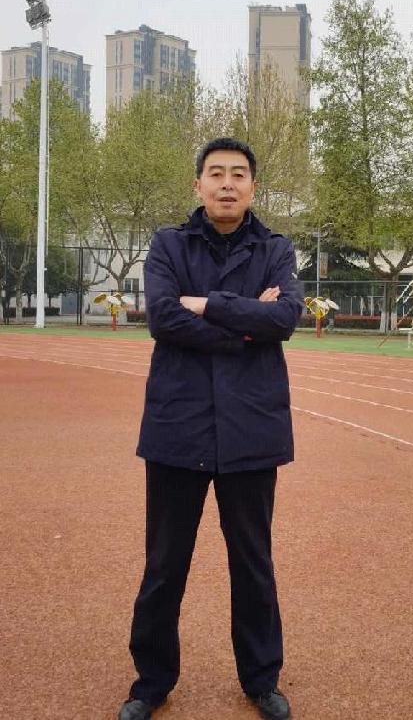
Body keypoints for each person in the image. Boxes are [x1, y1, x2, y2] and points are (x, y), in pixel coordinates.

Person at [117, 137, 303, 720]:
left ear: (253, 186)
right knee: (164, 563)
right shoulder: (168, 244)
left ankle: (261, 679)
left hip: (253, 429)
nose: (227, 183)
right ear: (197, 184)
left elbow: (285, 316)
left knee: (253, 563)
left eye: (238, 174)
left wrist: (206, 304)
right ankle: (150, 683)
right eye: (216, 173)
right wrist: (245, 326)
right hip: (179, 425)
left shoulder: (276, 249)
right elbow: (162, 317)